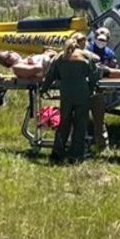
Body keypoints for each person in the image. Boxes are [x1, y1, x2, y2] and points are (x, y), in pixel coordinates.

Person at [41, 35, 100, 163]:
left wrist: (43, 89)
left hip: (66, 93)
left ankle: (57, 152)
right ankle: (76, 155)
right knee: (80, 123)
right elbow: (94, 75)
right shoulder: (85, 56)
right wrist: (90, 89)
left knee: (64, 123)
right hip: (82, 93)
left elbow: (50, 75)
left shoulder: (60, 57)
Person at [87, 25, 119, 151]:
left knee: (99, 119)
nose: (100, 42)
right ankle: (81, 143)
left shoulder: (109, 53)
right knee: (81, 118)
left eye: (103, 41)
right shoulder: (88, 49)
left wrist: (112, 67)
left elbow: (114, 68)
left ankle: (102, 146)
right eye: (99, 39)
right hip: (85, 87)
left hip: (99, 88)